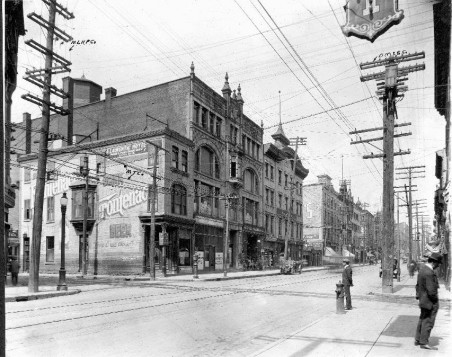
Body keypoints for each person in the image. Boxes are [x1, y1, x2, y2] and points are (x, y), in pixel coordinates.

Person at [414, 252, 442, 350]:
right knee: (428, 321)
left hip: (423, 300)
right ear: (434, 262)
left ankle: (418, 339)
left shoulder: (422, 270)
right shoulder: (429, 272)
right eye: (438, 264)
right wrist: (435, 300)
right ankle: (424, 342)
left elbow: (417, 286)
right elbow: (431, 291)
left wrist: (419, 297)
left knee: (422, 319)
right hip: (430, 301)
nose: (438, 266)